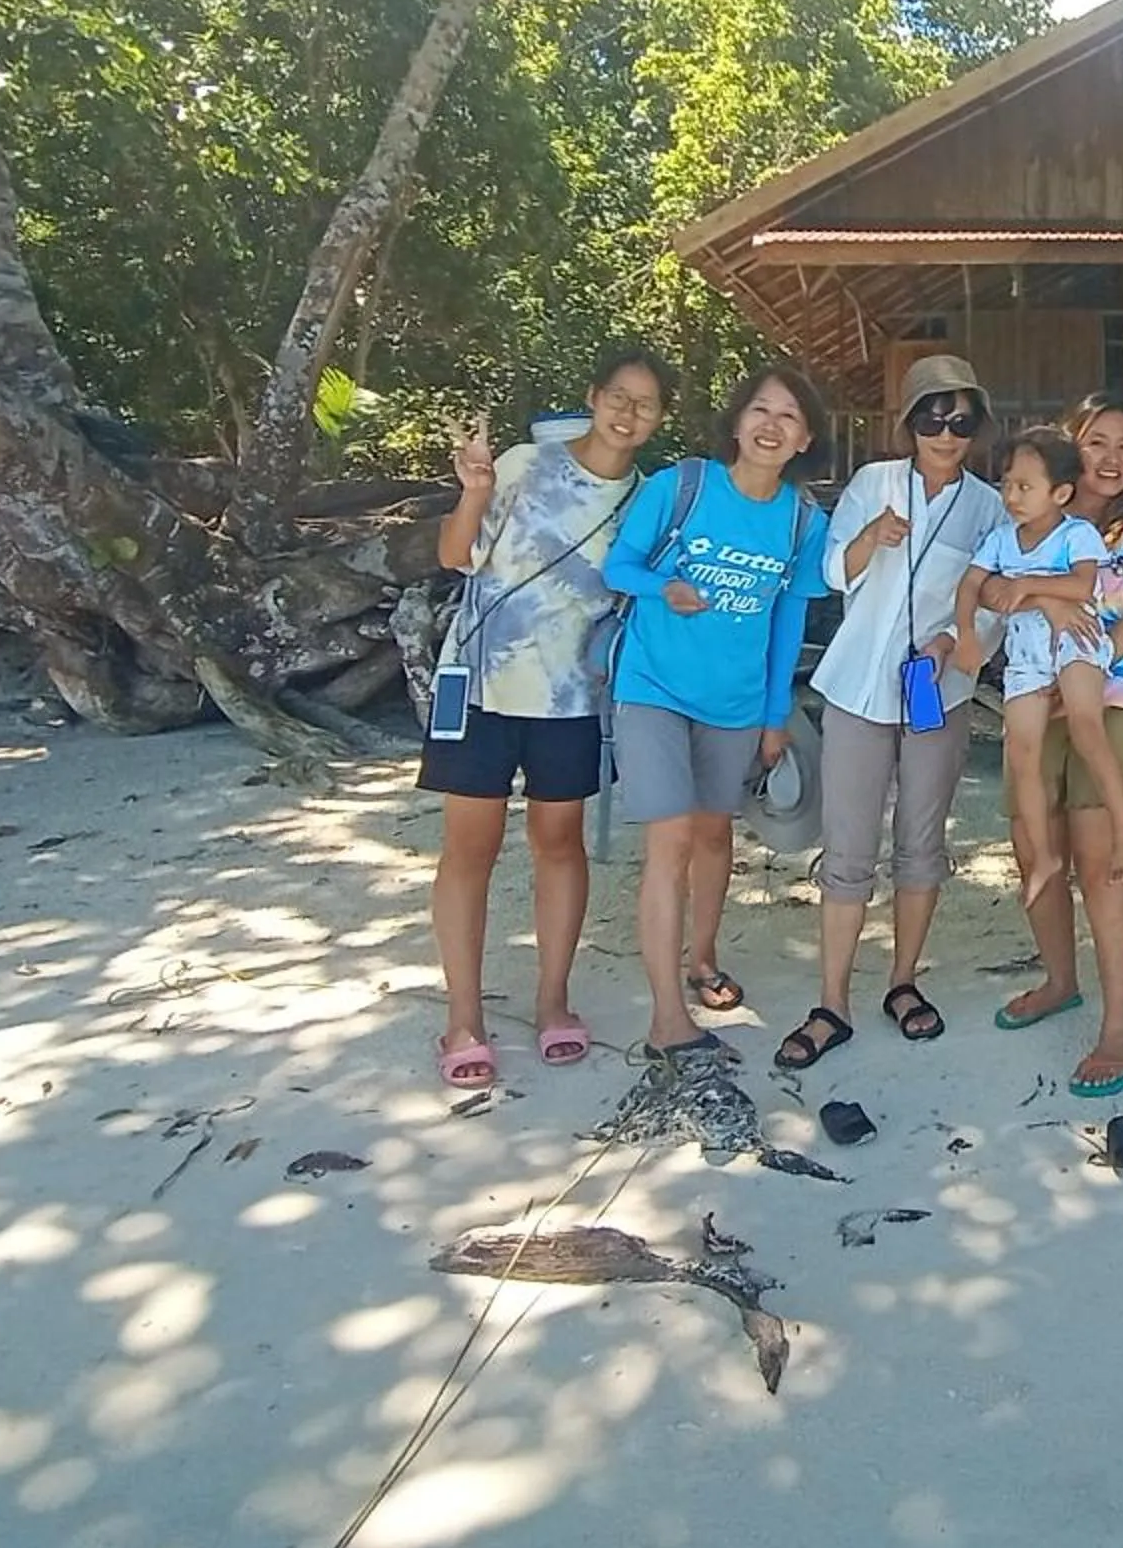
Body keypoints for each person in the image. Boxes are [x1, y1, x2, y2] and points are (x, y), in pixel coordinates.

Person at [419, 347, 671, 1088]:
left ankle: (554, 1001)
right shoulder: (527, 464)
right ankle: (463, 1017)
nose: (628, 414)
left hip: (571, 695)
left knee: (560, 843)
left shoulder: (648, 501)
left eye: (645, 404)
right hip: (481, 683)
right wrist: (473, 490)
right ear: (594, 397)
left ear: (659, 421)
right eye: (618, 397)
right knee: (471, 846)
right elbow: (454, 555)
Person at [774, 355, 1006, 1071]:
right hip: (858, 683)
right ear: (909, 422)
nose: (946, 431)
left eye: (960, 418)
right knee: (847, 846)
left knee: (921, 838)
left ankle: (902, 982)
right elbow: (826, 576)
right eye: (932, 416)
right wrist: (869, 538)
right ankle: (832, 1001)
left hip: (937, 687)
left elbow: (996, 604)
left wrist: (957, 642)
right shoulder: (875, 485)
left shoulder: (988, 506)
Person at [599, 363, 833, 1061]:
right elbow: (618, 566)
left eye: (788, 416)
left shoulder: (801, 522)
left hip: (734, 706)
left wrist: (772, 716)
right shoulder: (682, 486)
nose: (770, 424)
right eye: (759, 409)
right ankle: (668, 1018)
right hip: (652, 688)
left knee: (712, 837)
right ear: (736, 422)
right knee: (669, 840)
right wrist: (661, 586)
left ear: (804, 439)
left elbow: (790, 622)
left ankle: (702, 960)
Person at [987, 393, 1123, 1099]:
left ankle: (1121, 1027)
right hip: (1037, 694)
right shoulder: (1036, 524)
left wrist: (1089, 677)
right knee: (1034, 846)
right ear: (1071, 450)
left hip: (1115, 694)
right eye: (1097, 442)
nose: (1111, 458)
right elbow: (998, 593)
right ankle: (1060, 980)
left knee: (1100, 863)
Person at [956, 427, 1123, 914]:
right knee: (1021, 751)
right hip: (1025, 660)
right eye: (1007, 485)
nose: (1011, 496)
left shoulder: (1076, 533)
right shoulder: (1000, 539)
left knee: (1086, 724)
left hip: (1075, 644)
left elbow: (1083, 587)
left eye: (1024, 487)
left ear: (1060, 493)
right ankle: (1042, 858)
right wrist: (969, 638)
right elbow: (971, 587)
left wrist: (1027, 586)